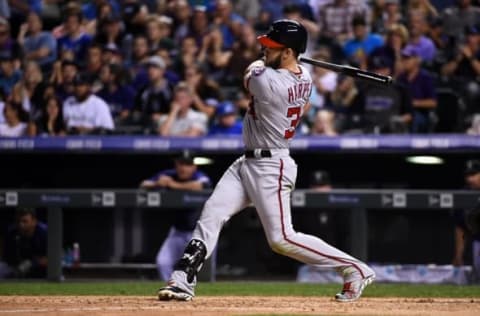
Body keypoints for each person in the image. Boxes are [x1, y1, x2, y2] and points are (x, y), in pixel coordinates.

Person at [157, 19, 375, 303]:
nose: (263, 49)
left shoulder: (268, 81)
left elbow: (251, 72)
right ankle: (182, 279)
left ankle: (355, 268)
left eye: (271, 47)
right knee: (211, 215)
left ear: (287, 52)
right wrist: (283, 57)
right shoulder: (304, 77)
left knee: (281, 239)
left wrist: (266, 62)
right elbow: (280, 67)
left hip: (272, 164)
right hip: (247, 162)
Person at [140, 151, 211, 281]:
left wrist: (172, 185)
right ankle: (171, 289)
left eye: (188, 164)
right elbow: (144, 184)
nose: (184, 168)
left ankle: (200, 297)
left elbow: (200, 186)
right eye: (181, 164)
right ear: (176, 165)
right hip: (177, 232)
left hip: (198, 234)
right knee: (163, 262)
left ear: (194, 167)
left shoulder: (199, 176)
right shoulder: (169, 174)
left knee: (199, 270)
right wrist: (156, 183)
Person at [453, 159, 480, 281]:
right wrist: (459, 253)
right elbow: (460, 227)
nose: (470, 179)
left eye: (474, 174)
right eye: (467, 175)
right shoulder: (463, 195)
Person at [1, 208, 47, 278]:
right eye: (18, 221)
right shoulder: (12, 232)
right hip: (17, 266)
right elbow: (6, 257)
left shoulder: (45, 232)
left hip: (41, 268)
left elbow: (53, 258)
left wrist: (32, 263)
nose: (21, 225)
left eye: (25, 221)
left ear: (34, 222)